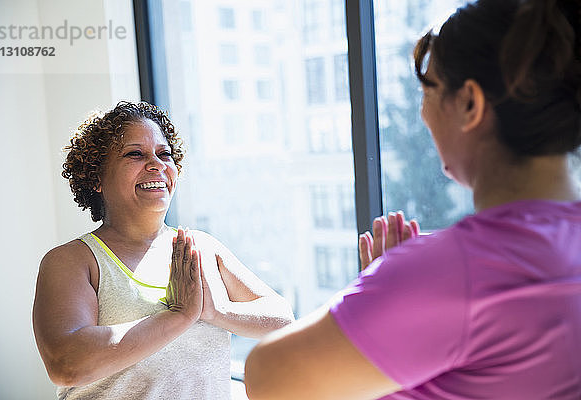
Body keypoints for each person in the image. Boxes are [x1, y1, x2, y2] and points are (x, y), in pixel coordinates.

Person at [244, 0, 581, 398]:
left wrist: (383, 286)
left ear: (470, 104)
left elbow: (267, 377)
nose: (423, 113)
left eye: (428, 90)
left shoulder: (463, 269)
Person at [32, 101, 295, 399]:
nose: (157, 164)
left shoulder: (202, 248)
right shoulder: (72, 261)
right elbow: (67, 364)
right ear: (96, 178)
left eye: (164, 153)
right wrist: (179, 316)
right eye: (135, 154)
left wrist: (216, 310)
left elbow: (282, 319)